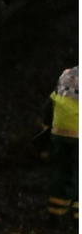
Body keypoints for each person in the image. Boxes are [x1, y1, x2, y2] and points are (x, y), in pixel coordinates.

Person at [43, 66, 78, 224]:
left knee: (61, 171)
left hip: (59, 132)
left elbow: (48, 105)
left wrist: (47, 128)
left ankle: (55, 214)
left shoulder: (66, 75)